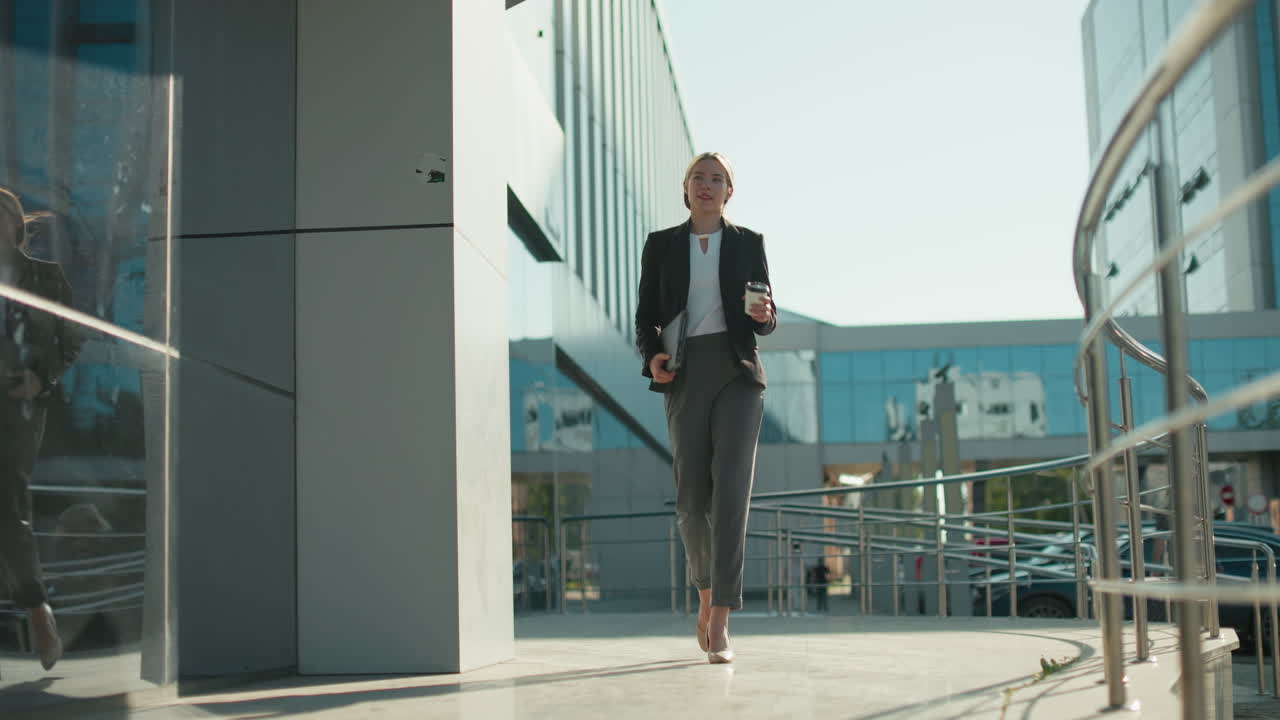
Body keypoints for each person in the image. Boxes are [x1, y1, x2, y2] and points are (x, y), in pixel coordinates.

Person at [634, 152, 776, 664]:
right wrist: (652, 358)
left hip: (738, 373)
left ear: (729, 192)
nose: (708, 185)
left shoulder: (748, 243)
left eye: (718, 179)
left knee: (731, 495)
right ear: (686, 188)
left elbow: (764, 317)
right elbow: (646, 318)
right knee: (693, 499)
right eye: (699, 177)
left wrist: (765, 313)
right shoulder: (661, 245)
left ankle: (721, 621)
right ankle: (705, 593)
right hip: (686, 373)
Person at [0, 187, 79, 670]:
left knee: (10, 500)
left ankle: (36, 609)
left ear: (16, 224)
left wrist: (40, 379)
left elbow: (71, 340)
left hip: (19, 403)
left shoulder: (45, 278)